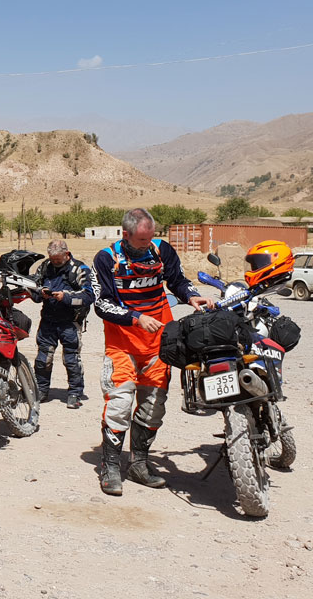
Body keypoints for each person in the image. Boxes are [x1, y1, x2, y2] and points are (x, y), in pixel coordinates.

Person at [91, 208, 214, 496]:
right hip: (122, 344)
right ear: (125, 235)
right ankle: (110, 467)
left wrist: (191, 295)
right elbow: (101, 304)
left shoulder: (161, 250)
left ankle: (139, 465)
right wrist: (136, 317)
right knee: (120, 404)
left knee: (154, 406)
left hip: (159, 343)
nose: (147, 244)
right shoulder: (106, 259)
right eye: (141, 240)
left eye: (150, 238)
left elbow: (177, 280)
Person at [32, 239, 94, 409]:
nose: (54, 262)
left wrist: (65, 297)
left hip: (70, 323)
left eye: (57, 259)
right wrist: (40, 293)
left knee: (71, 360)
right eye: (52, 259)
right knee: (43, 359)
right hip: (48, 321)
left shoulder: (80, 269)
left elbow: (89, 296)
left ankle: (75, 393)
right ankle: (41, 391)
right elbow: (33, 289)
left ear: (66, 254)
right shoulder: (45, 267)